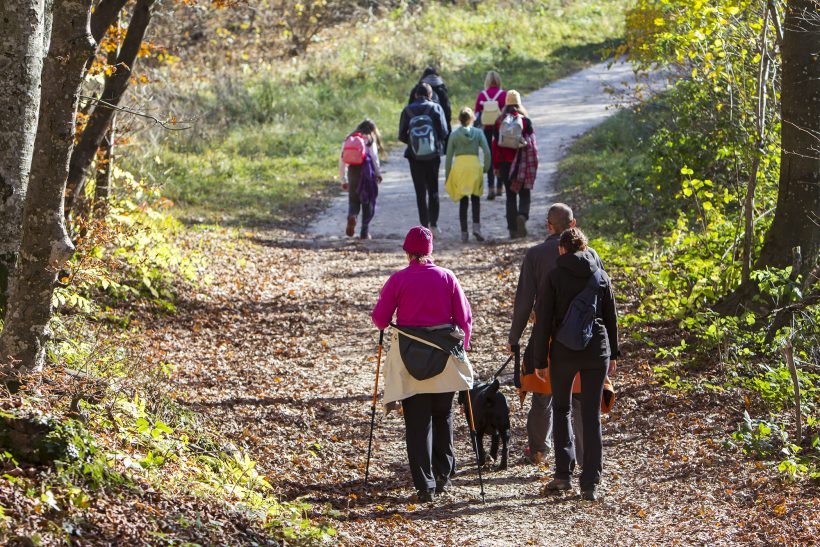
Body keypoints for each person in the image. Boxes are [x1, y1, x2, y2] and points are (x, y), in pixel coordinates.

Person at [371, 226, 474, 503]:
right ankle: (443, 475)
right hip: (444, 359)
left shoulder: (398, 280)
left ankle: (424, 486)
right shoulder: (447, 277)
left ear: (407, 252)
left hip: (410, 360)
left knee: (417, 423)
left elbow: (380, 320)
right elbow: (464, 319)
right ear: (430, 251)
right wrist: (463, 348)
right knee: (443, 415)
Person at [508, 204, 602, 464]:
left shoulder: (536, 255)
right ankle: (584, 457)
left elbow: (524, 301)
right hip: (584, 336)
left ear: (549, 226)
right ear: (573, 225)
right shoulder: (591, 255)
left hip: (548, 335)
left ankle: (539, 449)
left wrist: (514, 338)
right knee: (580, 398)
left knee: (543, 394)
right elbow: (602, 296)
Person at [532, 227, 619, 501]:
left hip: (564, 351)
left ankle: (563, 475)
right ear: (584, 247)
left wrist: (539, 359)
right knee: (591, 415)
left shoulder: (554, 276)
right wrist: (613, 354)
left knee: (561, 409)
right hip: (597, 350)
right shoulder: (600, 275)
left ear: (561, 249)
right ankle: (590, 482)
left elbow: (543, 320)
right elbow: (611, 315)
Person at [399, 83, 450, 232]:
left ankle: (424, 226)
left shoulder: (407, 110)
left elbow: (401, 135)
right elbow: (444, 132)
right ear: (430, 95)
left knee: (420, 192)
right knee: (433, 189)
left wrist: (414, 144)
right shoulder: (436, 108)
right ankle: (434, 224)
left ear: (415, 95)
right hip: (433, 156)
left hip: (414, 157)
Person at [491, 90, 534, 238]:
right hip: (521, 164)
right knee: (524, 192)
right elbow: (531, 144)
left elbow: (495, 145)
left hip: (505, 165)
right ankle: (522, 215)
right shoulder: (525, 121)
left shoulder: (499, 121)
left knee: (510, 196)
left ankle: (513, 230)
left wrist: (496, 166)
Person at [445, 107, 491, 243]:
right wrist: (485, 168)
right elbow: (487, 152)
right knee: (476, 199)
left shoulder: (454, 135)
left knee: (463, 200)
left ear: (459, 119)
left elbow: (448, 157)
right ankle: (477, 228)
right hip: (474, 167)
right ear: (472, 119)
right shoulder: (478, 133)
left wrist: (448, 176)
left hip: (460, 168)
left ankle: (464, 232)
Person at [339, 119, 384, 239]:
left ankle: (352, 216)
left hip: (353, 171)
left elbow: (342, 160)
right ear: (372, 130)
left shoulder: (349, 138)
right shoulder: (369, 139)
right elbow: (374, 158)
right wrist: (378, 173)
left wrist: (343, 179)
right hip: (367, 173)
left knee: (353, 200)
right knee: (367, 202)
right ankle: (364, 232)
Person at [474, 70, 506, 200]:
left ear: (487, 81)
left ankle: (490, 187)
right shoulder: (503, 95)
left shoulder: (482, 95)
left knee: (489, 156)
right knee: (501, 155)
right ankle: (500, 186)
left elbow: (476, 114)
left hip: (486, 128)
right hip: (500, 129)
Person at [408, 67, 452, 138]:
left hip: (417, 128)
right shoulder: (441, 89)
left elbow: (410, 106)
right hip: (436, 128)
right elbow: (447, 111)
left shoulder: (417, 89)